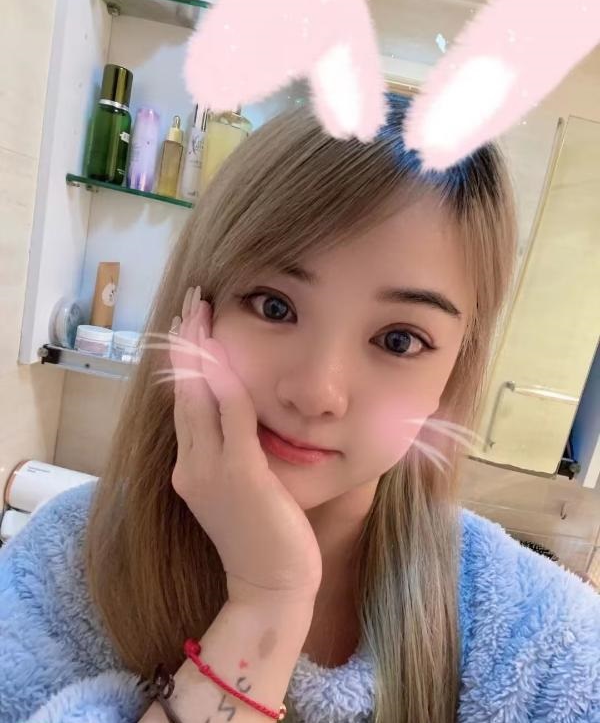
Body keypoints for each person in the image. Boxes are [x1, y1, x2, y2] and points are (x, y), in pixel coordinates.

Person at [1, 93, 598, 723]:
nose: (317, 392)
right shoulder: (69, 562)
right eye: (274, 306)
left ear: (451, 376)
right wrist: (267, 602)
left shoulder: (540, 641)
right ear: (197, 310)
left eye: (399, 340)